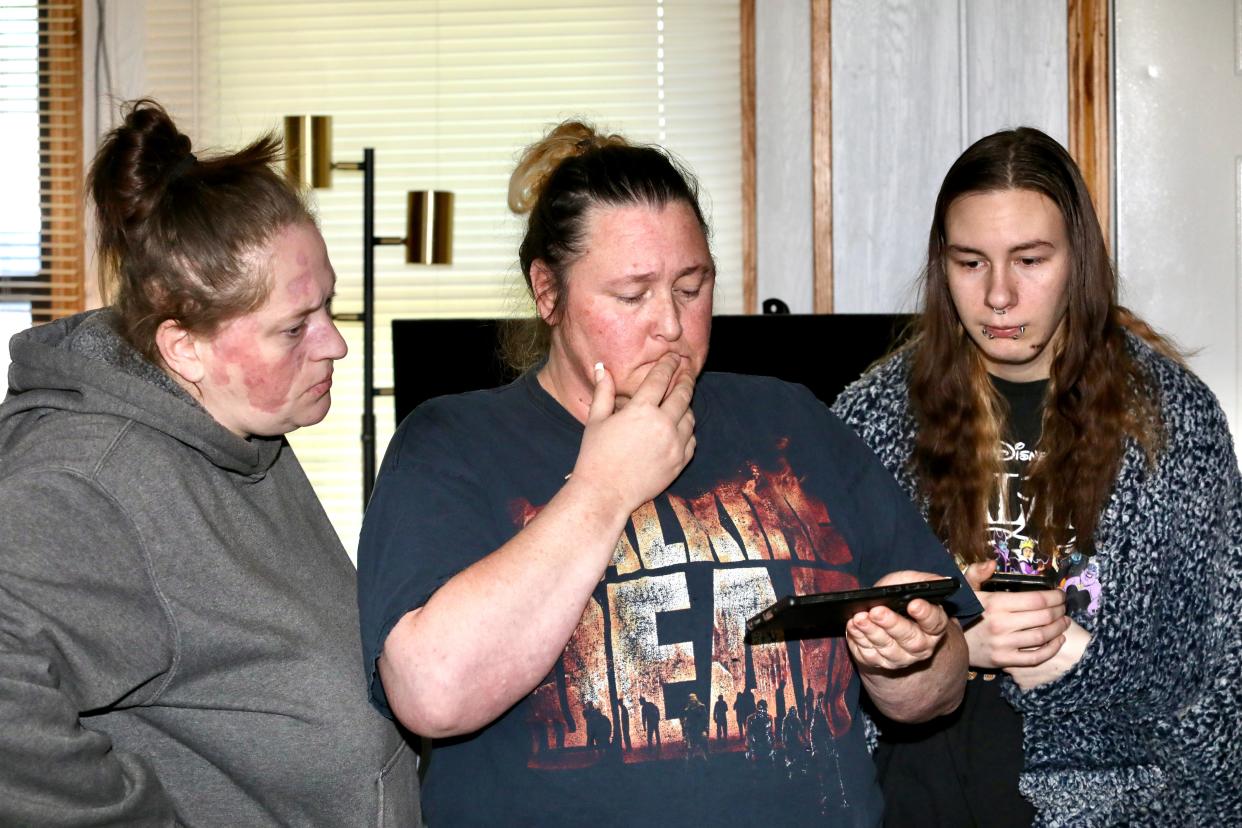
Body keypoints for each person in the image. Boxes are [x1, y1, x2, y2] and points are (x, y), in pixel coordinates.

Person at [356, 120, 979, 826]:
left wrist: (910, 658)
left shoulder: (792, 422)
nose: (671, 324)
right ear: (548, 293)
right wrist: (605, 487)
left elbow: (941, 688)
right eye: (632, 295)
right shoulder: (450, 444)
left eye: (692, 286)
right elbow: (432, 693)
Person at [0, 100, 419, 825]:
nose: (334, 346)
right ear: (182, 348)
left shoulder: (238, 424)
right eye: (294, 328)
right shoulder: (89, 483)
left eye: (329, 308)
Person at [832, 126, 1242, 826]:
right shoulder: (869, 417)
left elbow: (1217, 704)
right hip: (914, 787)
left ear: (1078, 262)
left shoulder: (1171, 423)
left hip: (1109, 801)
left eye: (1030, 260)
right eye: (969, 262)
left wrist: (1078, 661)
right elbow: (813, 667)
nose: (998, 295)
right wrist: (954, 648)